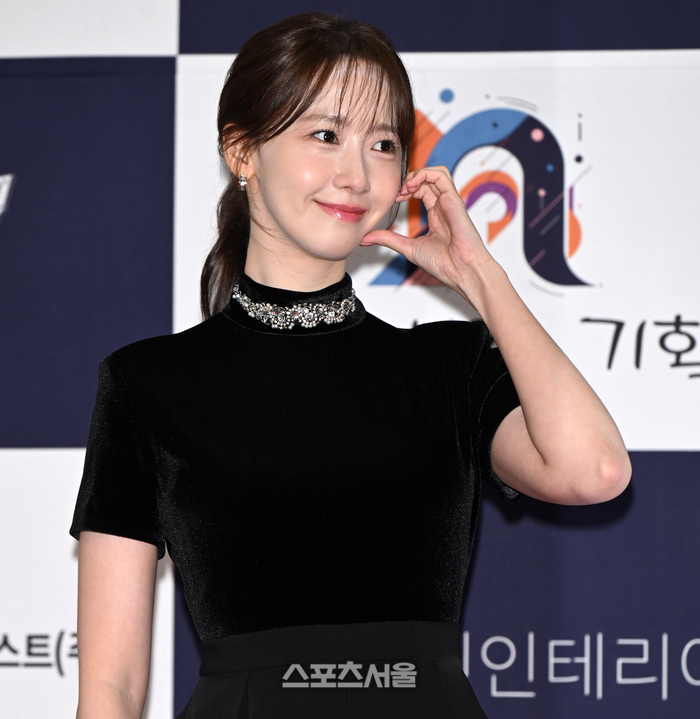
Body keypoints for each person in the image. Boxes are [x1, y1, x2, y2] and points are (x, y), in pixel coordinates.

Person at [69, 12, 631, 719]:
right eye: (326, 135)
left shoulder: (446, 367)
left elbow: (593, 470)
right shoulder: (149, 384)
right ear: (242, 152)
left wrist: (481, 278)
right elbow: (112, 690)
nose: (357, 174)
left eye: (383, 144)